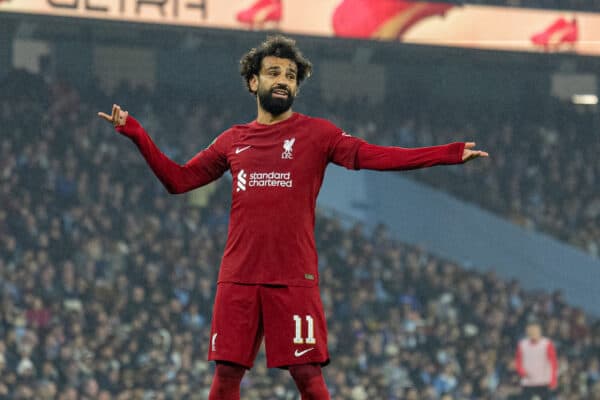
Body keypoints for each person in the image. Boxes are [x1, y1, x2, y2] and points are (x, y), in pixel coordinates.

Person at [98, 35, 488, 400]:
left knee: (307, 374)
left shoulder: (318, 135)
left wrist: (448, 153)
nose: (283, 80)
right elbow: (178, 180)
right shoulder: (232, 140)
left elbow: (377, 156)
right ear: (253, 82)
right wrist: (136, 133)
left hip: (293, 276)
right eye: (273, 72)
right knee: (226, 374)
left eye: (290, 75)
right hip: (239, 275)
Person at [515, 320, 558, 400]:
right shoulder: (522, 345)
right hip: (527, 382)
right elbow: (518, 361)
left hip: (543, 381)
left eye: (535, 330)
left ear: (539, 331)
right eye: (530, 330)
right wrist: (522, 372)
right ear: (527, 331)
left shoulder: (547, 344)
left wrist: (553, 379)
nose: (533, 332)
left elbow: (553, 362)